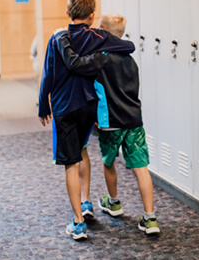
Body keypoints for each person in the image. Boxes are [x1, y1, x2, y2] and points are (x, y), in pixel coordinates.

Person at [39, 0, 135, 240]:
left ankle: (78, 222)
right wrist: (97, 55)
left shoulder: (58, 37)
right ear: (92, 16)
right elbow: (129, 46)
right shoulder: (97, 36)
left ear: (68, 13)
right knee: (82, 150)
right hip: (88, 105)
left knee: (71, 162)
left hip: (63, 107)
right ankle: (86, 201)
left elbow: (48, 73)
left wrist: (42, 104)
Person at [55, 13, 160, 235]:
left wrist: (62, 40)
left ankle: (113, 202)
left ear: (101, 33)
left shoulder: (101, 59)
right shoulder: (130, 60)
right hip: (134, 121)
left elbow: (75, 64)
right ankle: (150, 218)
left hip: (110, 122)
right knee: (141, 167)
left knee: (109, 162)